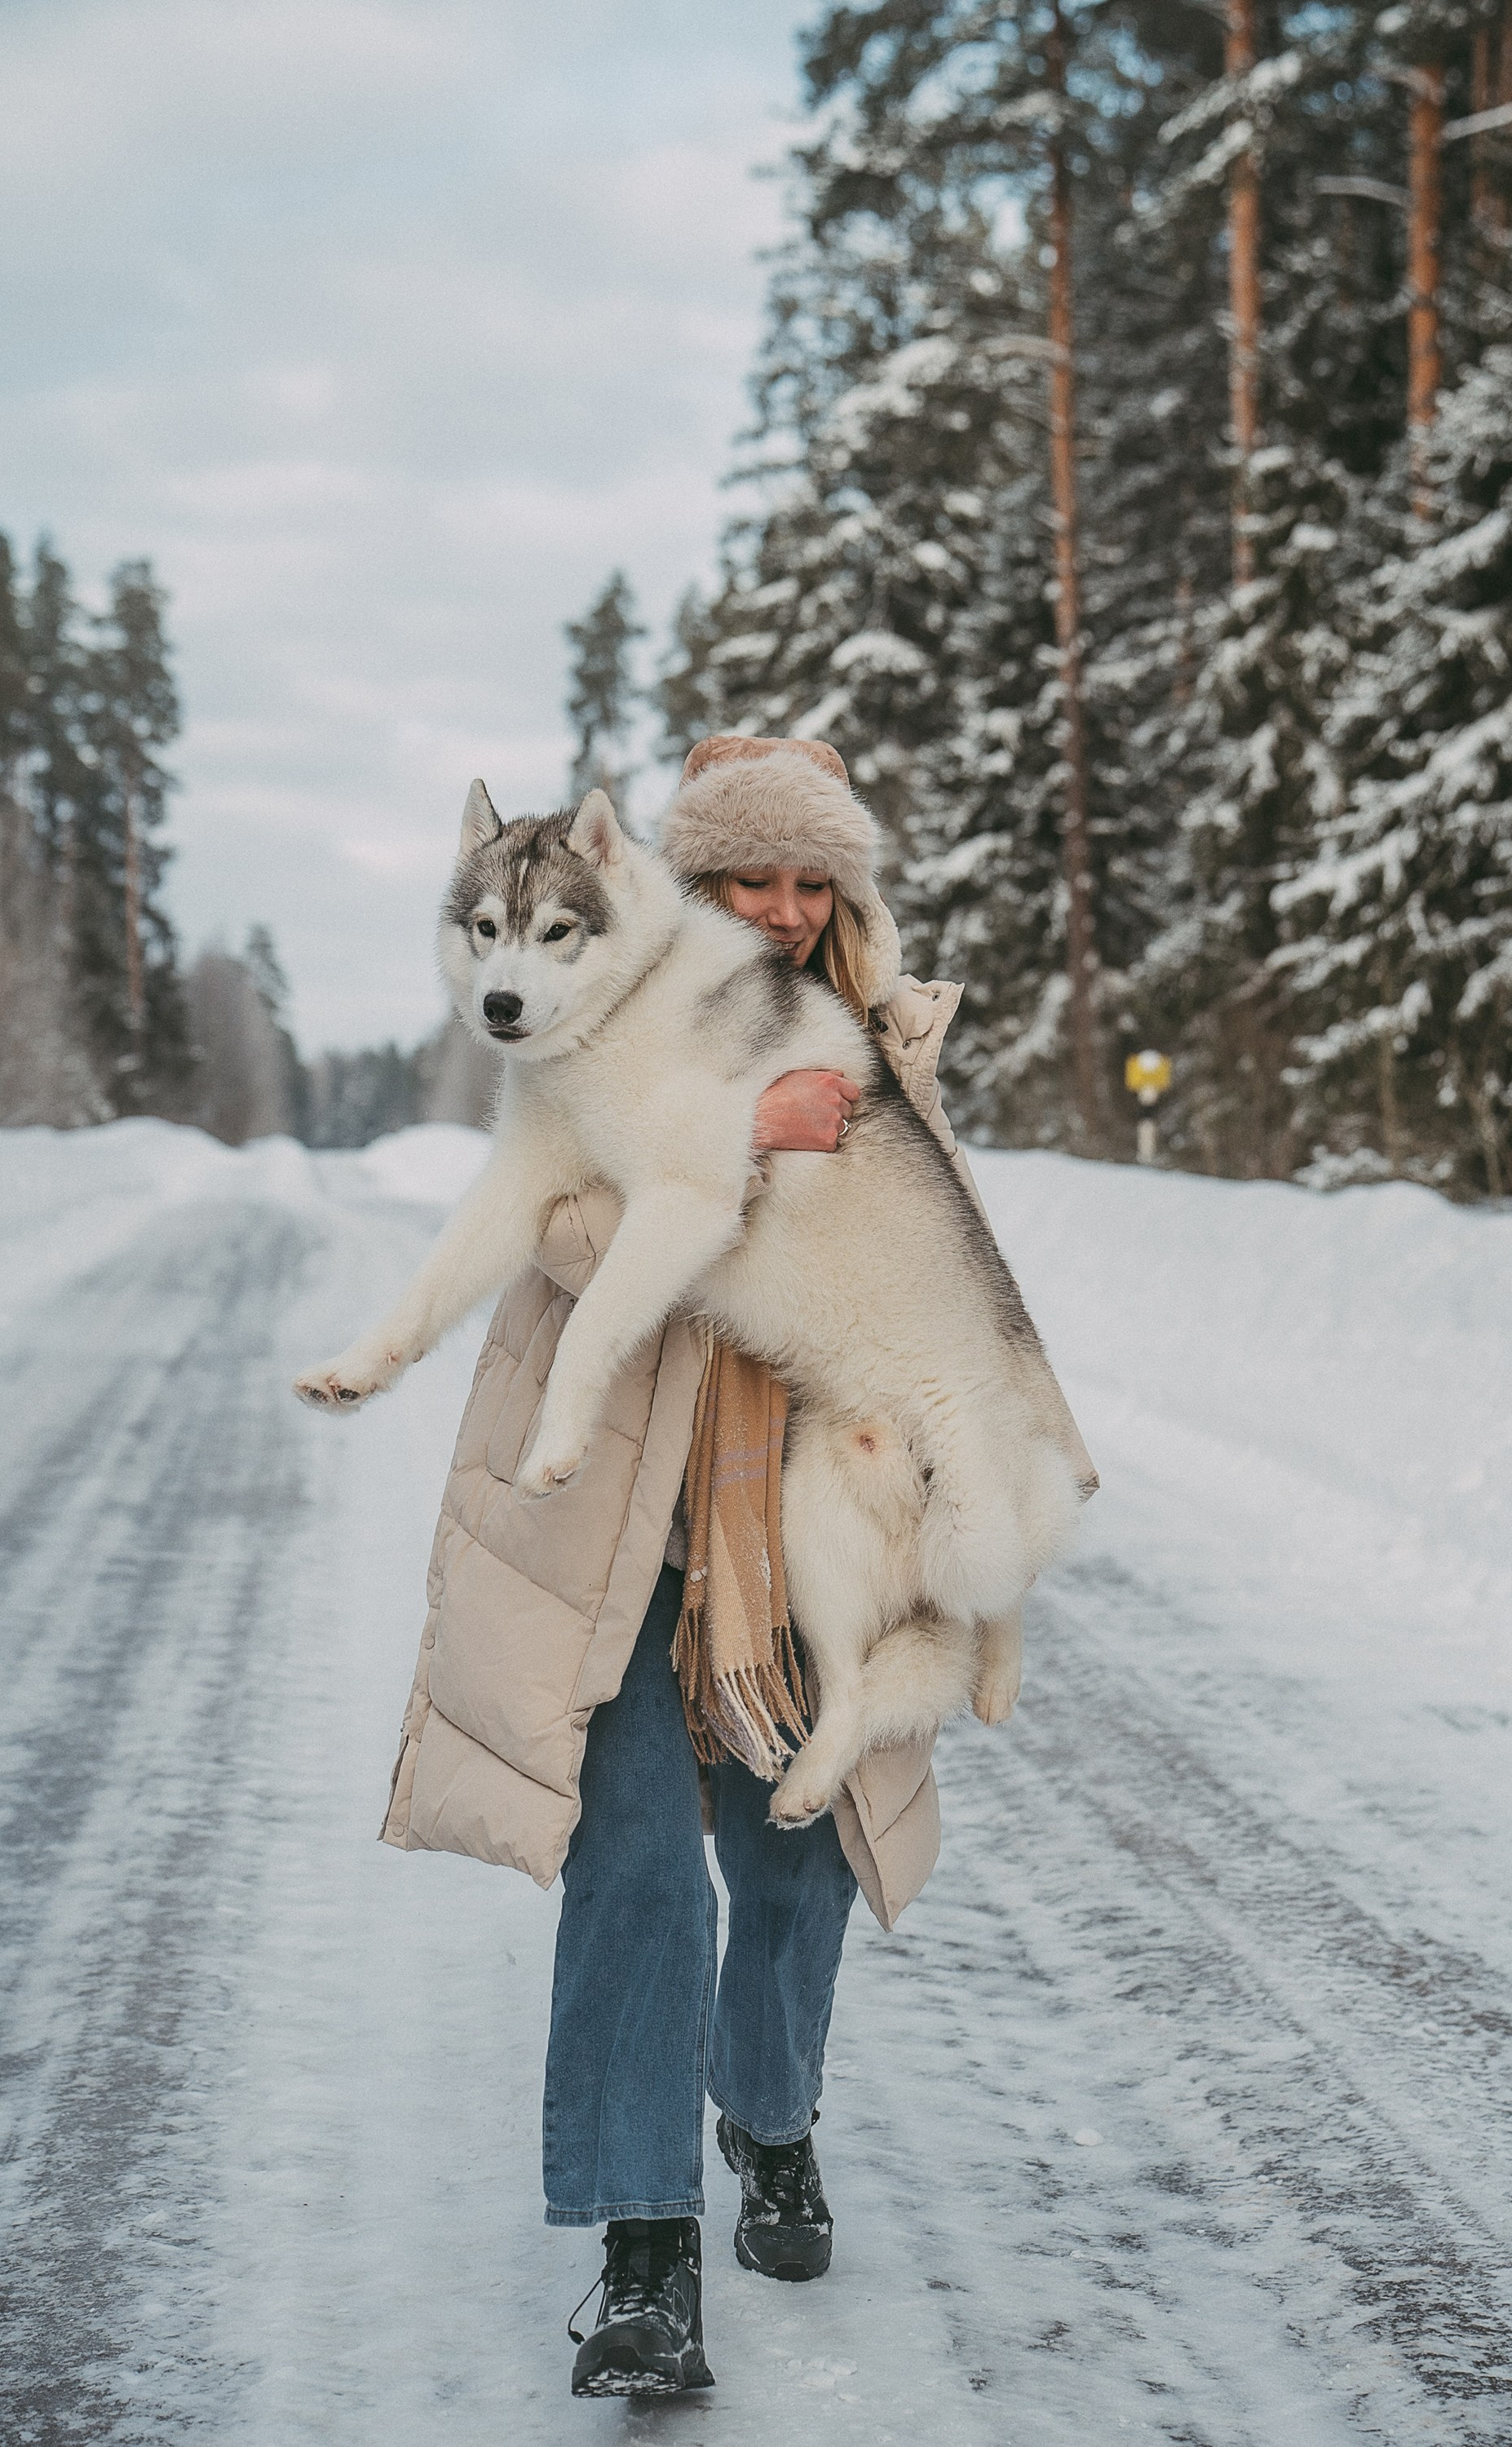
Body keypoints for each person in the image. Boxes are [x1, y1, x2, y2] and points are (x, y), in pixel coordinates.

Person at [378, 735, 1090, 2398]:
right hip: (630, 1520)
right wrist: (735, 1147)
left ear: (841, 894)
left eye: (805, 880)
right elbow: (554, 1229)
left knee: (794, 1866)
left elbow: (954, 1279)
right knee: (631, 1868)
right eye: (741, 880)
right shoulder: (595, 1027)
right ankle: (643, 2253)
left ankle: (768, 2119)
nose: (776, 910)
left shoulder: (890, 1050)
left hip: (820, 1528)